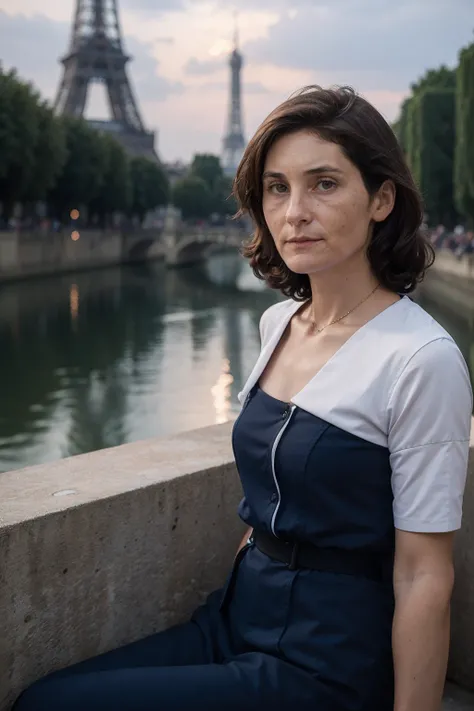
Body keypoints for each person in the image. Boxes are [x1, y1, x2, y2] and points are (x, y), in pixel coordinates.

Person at [14, 86, 472, 711]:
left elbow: (424, 575)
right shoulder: (278, 323)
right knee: (42, 695)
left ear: (382, 199)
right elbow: (267, 495)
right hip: (234, 617)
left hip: (326, 659)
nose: (294, 212)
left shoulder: (420, 357)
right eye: (277, 187)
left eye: (325, 184)